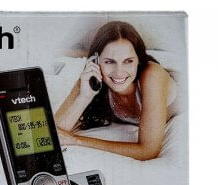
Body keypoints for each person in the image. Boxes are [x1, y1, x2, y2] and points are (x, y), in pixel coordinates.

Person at [55, 21, 177, 161]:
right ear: (96, 62)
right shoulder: (93, 76)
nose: (119, 72)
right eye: (109, 61)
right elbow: (54, 133)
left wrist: (76, 140)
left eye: (128, 61)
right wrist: (84, 97)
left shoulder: (152, 75)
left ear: (138, 60)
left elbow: (148, 151)